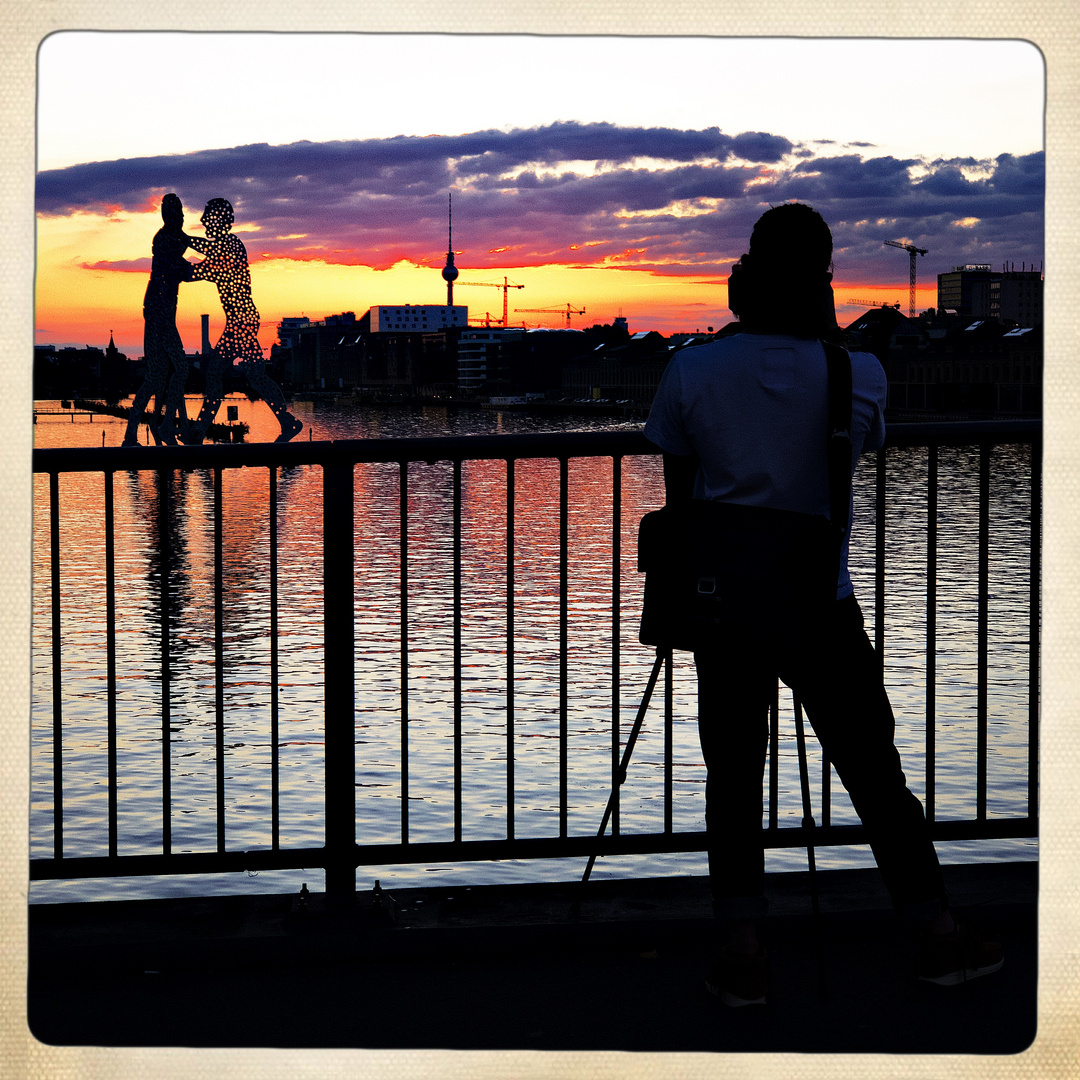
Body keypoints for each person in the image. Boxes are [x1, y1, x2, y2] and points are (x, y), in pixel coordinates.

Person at [643, 202, 1003, 1007]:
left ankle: (742, 955)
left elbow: (681, 491)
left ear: (742, 276)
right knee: (875, 773)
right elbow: (855, 453)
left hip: (723, 608)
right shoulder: (858, 372)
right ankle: (938, 937)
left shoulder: (692, 370)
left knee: (732, 776)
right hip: (821, 606)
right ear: (824, 280)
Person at [183, 198, 303, 443]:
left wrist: (181, 241)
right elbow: (203, 258)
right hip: (240, 321)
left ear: (219, 221)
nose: (204, 221)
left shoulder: (231, 246)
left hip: (241, 322)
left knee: (218, 373)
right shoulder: (225, 248)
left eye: (208, 217)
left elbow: (197, 270)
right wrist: (184, 244)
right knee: (250, 375)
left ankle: (198, 433)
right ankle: (287, 422)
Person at [123, 193, 193, 446]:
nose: (183, 218)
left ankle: (135, 432)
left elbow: (190, 246)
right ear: (169, 216)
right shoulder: (164, 240)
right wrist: (214, 269)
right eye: (179, 213)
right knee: (180, 369)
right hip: (159, 315)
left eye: (183, 213)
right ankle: (163, 427)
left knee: (158, 376)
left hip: (159, 313)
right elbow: (180, 269)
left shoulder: (174, 238)